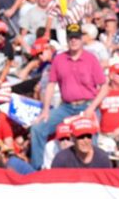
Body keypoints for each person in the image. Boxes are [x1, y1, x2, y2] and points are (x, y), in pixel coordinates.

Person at [30, 23, 107, 170]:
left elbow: (104, 87)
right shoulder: (59, 59)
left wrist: (91, 108)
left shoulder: (91, 59)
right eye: (71, 37)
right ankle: (37, 171)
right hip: (66, 107)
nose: (74, 40)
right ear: (67, 39)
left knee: (90, 138)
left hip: (87, 105)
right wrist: (45, 110)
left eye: (76, 37)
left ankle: (94, 175)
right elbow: (51, 84)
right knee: (37, 128)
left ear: (81, 39)